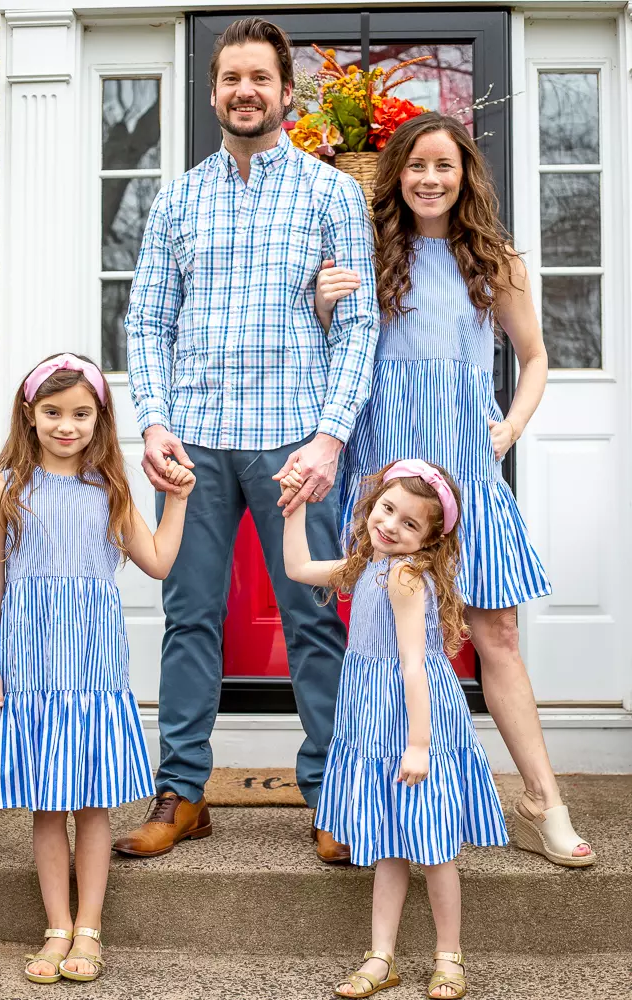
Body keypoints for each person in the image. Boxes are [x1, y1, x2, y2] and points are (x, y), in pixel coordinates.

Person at [116, 16, 378, 863]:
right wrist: (153, 420)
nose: (243, 91)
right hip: (190, 446)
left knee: (310, 615)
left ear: (285, 93)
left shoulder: (332, 194)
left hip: (291, 446)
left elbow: (359, 327)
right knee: (188, 618)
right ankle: (182, 792)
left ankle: (333, 795)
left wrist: (330, 440)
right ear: (214, 92)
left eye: (258, 78)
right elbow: (147, 322)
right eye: (230, 78)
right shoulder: (176, 199)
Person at [301, 112, 594, 867]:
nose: (430, 179)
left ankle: (540, 800)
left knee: (495, 636)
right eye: (415, 166)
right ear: (394, 175)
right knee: (374, 643)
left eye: (445, 166)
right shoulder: (363, 254)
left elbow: (534, 358)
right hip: (384, 482)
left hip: (465, 476)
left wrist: (511, 428)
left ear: (465, 176)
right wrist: (324, 306)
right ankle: (358, 800)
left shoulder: (492, 261)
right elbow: (323, 358)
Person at [0, 353, 195, 984]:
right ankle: (56, 928)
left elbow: (155, 561)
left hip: (93, 678)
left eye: (79, 414)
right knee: (47, 808)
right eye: (52, 413)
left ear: (99, 417)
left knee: (93, 807)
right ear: (29, 414)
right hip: (30, 676)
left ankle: (90, 930)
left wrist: (175, 502)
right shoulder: (3, 493)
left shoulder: (112, 490)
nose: (66, 426)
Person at [281, 458, 507, 999]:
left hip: (412, 718)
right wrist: (292, 510)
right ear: (372, 505)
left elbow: (413, 664)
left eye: (410, 524)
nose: (391, 526)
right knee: (388, 844)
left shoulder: (405, 576)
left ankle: (448, 957)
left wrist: (420, 744)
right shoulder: (366, 565)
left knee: (432, 846)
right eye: (387, 510)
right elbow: (296, 569)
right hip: (372, 715)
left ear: (431, 538)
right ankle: (382, 956)